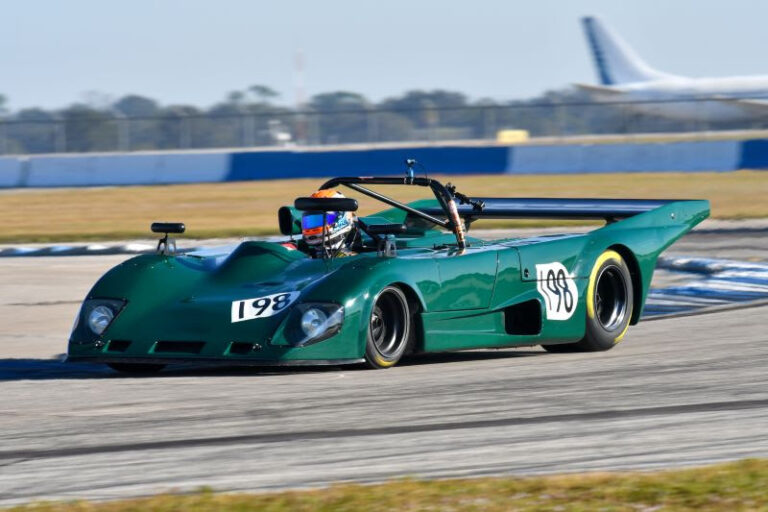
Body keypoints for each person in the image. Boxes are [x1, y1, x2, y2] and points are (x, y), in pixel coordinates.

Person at [301, 189, 358, 257]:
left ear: (340, 218)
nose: (312, 227)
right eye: (310, 221)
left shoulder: (353, 259)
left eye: (319, 220)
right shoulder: (304, 254)